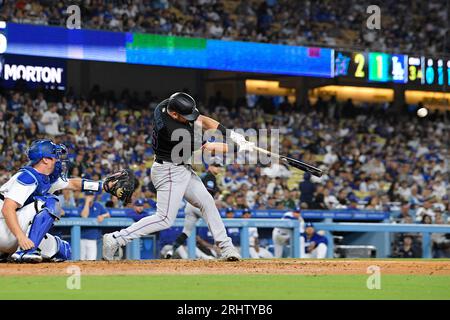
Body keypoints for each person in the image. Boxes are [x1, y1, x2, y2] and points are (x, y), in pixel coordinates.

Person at [103, 92, 249, 261]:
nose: (190, 119)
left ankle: (226, 248)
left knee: (207, 203)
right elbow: (209, 147)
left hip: (180, 168)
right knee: (164, 219)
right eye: (185, 116)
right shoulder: (174, 131)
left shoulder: (165, 105)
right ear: (174, 114)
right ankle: (115, 239)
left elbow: (203, 120)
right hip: (169, 171)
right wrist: (239, 147)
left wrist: (230, 134)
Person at [0, 139, 123, 263]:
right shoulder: (27, 177)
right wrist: (20, 237)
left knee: (63, 250)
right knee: (50, 202)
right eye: (55, 156)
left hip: (11, 230)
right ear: (45, 159)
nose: (58, 160)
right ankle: (24, 251)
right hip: (5, 228)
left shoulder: (46, 178)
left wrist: (103, 186)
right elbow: (7, 208)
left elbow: (74, 184)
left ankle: (7, 253)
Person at [165, 157, 223, 259]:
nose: (218, 168)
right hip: (200, 205)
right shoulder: (210, 177)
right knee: (217, 226)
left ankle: (171, 250)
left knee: (186, 231)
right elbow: (207, 194)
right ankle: (225, 252)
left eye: (219, 166)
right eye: (216, 166)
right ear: (210, 166)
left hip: (190, 205)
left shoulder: (202, 176)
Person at [79, 191, 110, 261]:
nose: (90, 197)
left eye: (91, 195)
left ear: (94, 196)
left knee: (91, 260)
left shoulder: (98, 205)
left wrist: (102, 216)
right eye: (88, 196)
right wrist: (87, 202)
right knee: (81, 260)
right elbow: (84, 216)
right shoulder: (82, 206)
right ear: (85, 196)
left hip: (93, 238)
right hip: (81, 238)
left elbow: (108, 214)